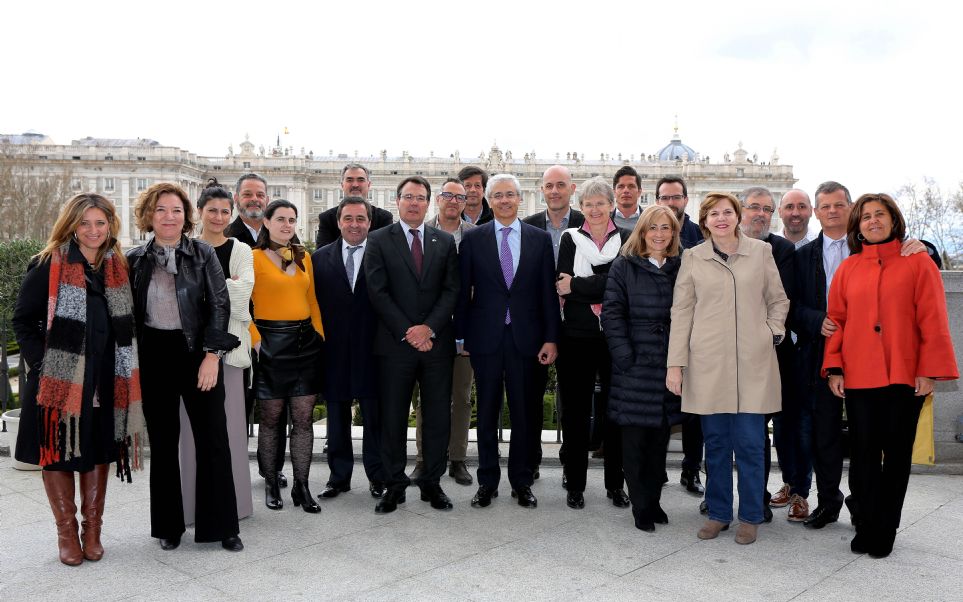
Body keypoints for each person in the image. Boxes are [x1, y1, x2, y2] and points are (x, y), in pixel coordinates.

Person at [13, 193, 147, 565]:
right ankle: (67, 533)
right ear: (72, 225)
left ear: (110, 226)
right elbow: (22, 321)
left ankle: (93, 530)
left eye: (100, 223)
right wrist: (45, 365)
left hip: (106, 378)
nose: (93, 230)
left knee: (98, 449)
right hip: (61, 380)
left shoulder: (118, 266)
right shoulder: (48, 264)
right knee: (57, 452)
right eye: (84, 223)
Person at [823, 192, 958, 558]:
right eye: (866, 216)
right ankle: (865, 523)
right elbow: (837, 321)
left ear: (894, 220)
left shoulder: (918, 262)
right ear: (858, 226)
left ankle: (886, 529)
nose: (873, 220)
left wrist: (929, 371)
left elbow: (933, 319)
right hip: (859, 377)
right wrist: (834, 367)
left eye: (880, 214)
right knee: (863, 455)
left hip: (905, 376)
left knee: (896, 457)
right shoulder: (848, 268)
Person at [795, 182, 928, 530]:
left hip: (883, 364)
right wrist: (817, 321)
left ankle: (864, 510)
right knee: (828, 436)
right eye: (825, 206)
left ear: (849, 208)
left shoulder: (903, 252)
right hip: (826, 359)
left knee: (874, 443)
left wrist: (921, 245)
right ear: (817, 212)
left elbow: (922, 296)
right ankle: (829, 503)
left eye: (839, 205)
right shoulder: (803, 255)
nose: (832, 211)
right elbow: (791, 305)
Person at [667, 192, 789, 546]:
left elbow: (778, 299)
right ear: (704, 221)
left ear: (737, 216)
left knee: (751, 444)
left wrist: (771, 332)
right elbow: (682, 312)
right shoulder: (693, 257)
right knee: (716, 444)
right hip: (708, 365)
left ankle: (750, 516)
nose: (721, 218)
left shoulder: (761, 252)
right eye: (713, 214)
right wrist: (675, 364)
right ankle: (719, 513)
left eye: (727, 212)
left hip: (753, 363)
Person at [127, 183, 242, 552]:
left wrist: (212, 355)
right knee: (162, 444)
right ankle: (168, 526)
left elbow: (220, 305)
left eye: (176, 210)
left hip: (197, 353)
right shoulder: (134, 259)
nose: (169, 217)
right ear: (149, 215)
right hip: (154, 356)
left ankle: (222, 526)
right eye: (161, 210)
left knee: (214, 440)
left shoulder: (203, 253)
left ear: (186, 216)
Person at [457, 174, 560, 509]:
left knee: (524, 415)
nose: (504, 200)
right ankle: (487, 482)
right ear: (490, 200)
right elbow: (463, 292)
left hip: (526, 339)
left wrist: (551, 338)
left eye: (510, 194)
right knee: (486, 415)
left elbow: (547, 294)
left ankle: (521, 481)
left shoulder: (539, 239)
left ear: (519, 198)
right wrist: (461, 336)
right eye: (498, 195)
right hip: (485, 338)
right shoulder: (473, 239)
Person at [364, 176, 460, 514]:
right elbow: (377, 291)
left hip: (436, 345)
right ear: (397, 201)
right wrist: (409, 331)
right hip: (395, 345)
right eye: (408, 197)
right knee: (392, 416)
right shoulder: (378, 239)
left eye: (420, 198)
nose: (414, 203)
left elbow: (452, 290)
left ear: (428, 203)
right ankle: (394, 484)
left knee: (437, 417)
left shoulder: (444, 241)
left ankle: (431, 482)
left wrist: (428, 328)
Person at [602, 205, 683, 531]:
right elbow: (612, 314)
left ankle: (653, 500)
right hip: (634, 367)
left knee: (658, 444)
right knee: (634, 445)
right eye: (653, 227)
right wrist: (625, 357)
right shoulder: (624, 265)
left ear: (674, 233)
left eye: (666, 228)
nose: (659, 234)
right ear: (642, 231)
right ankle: (641, 507)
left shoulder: (681, 266)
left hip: (668, 366)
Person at [178, 179, 255, 522]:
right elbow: (182, 301)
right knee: (190, 433)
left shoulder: (241, 250)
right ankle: (191, 507)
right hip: (191, 352)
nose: (219, 217)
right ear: (199, 212)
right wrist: (223, 288)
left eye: (225, 211)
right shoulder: (185, 248)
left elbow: (241, 298)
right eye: (212, 210)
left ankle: (234, 506)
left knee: (232, 431)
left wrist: (205, 292)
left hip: (231, 351)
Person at [555, 176, 629, 510]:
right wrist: (596, 285)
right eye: (588, 204)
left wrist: (580, 285)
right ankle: (575, 484)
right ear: (580, 207)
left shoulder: (627, 239)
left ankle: (616, 484)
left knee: (616, 413)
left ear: (612, 205)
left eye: (601, 203)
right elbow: (561, 284)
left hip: (615, 336)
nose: (595, 209)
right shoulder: (570, 238)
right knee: (575, 413)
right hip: (576, 337)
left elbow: (621, 286)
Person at [250, 199, 324, 514]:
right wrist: (256, 341)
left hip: (306, 343)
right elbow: (239, 304)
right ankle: (271, 482)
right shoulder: (252, 257)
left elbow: (313, 300)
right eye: (280, 219)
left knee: (304, 419)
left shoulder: (304, 256)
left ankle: (302, 486)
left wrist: (320, 336)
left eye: (292, 220)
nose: (287, 225)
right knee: (271, 418)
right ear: (266, 222)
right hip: (271, 342)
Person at [312, 196, 387, 500]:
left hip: (373, 349)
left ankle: (377, 476)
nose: (354, 225)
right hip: (334, 350)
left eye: (360, 219)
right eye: (348, 218)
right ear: (338, 222)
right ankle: (338, 478)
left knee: (374, 418)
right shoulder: (319, 258)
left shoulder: (384, 256)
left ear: (370, 222)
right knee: (337, 417)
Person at [738, 186, 802, 523]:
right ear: (741, 210)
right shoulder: (720, 245)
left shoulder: (783, 250)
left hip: (771, 355)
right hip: (726, 354)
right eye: (754, 207)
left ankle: (757, 498)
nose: (761, 214)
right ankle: (718, 495)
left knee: (757, 431)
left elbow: (780, 300)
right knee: (723, 431)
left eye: (767, 209)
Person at [224, 173, 289, 490]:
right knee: (237, 408)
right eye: (248, 194)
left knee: (276, 408)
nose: (254, 199)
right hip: (238, 336)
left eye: (260, 194)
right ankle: (234, 471)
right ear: (236, 199)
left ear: (267, 199)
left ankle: (272, 469)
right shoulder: (224, 236)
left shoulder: (280, 235)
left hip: (277, 337)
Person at [410, 178, 476, 486]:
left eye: (459, 197)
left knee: (461, 396)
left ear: (466, 203)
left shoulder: (476, 235)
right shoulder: (421, 233)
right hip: (428, 328)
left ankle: (457, 459)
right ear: (438, 199)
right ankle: (423, 459)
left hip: (464, 328)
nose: (453, 201)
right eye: (448, 195)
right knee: (427, 397)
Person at [522, 164, 585, 483]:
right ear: (542, 190)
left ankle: (570, 465)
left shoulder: (587, 222)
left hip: (576, 324)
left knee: (573, 402)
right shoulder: (527, 225)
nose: (555, 191)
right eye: (549, 186)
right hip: (536, 324)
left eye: (561, 185)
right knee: (531, 397)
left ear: (572, 189)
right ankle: (531, 461)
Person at [654, 175, 705, 495]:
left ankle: (691, 469)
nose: (671, 203)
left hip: (695, 333)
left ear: (686, 200)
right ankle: (657, 469)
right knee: (661, 405)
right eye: (665, 197)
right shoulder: (650, 233)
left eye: (676, 197)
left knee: (694, 410)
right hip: (659, 333)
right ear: (656, 200)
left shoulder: (701, 235)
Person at [316, 164, 394, 246]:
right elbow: (323, 252)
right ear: (342, 185)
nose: (355, 185)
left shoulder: (384, 218)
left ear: (368, 185)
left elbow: (388, 250)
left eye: (360, 180)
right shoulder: (327, 218)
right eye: (350, 180)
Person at [611, 165, 645, 230]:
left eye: (631, 186)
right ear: (614, 192)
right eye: (621, 186)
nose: (626, 190)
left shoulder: (650, 220)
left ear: (639, 192)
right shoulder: (604, 221)